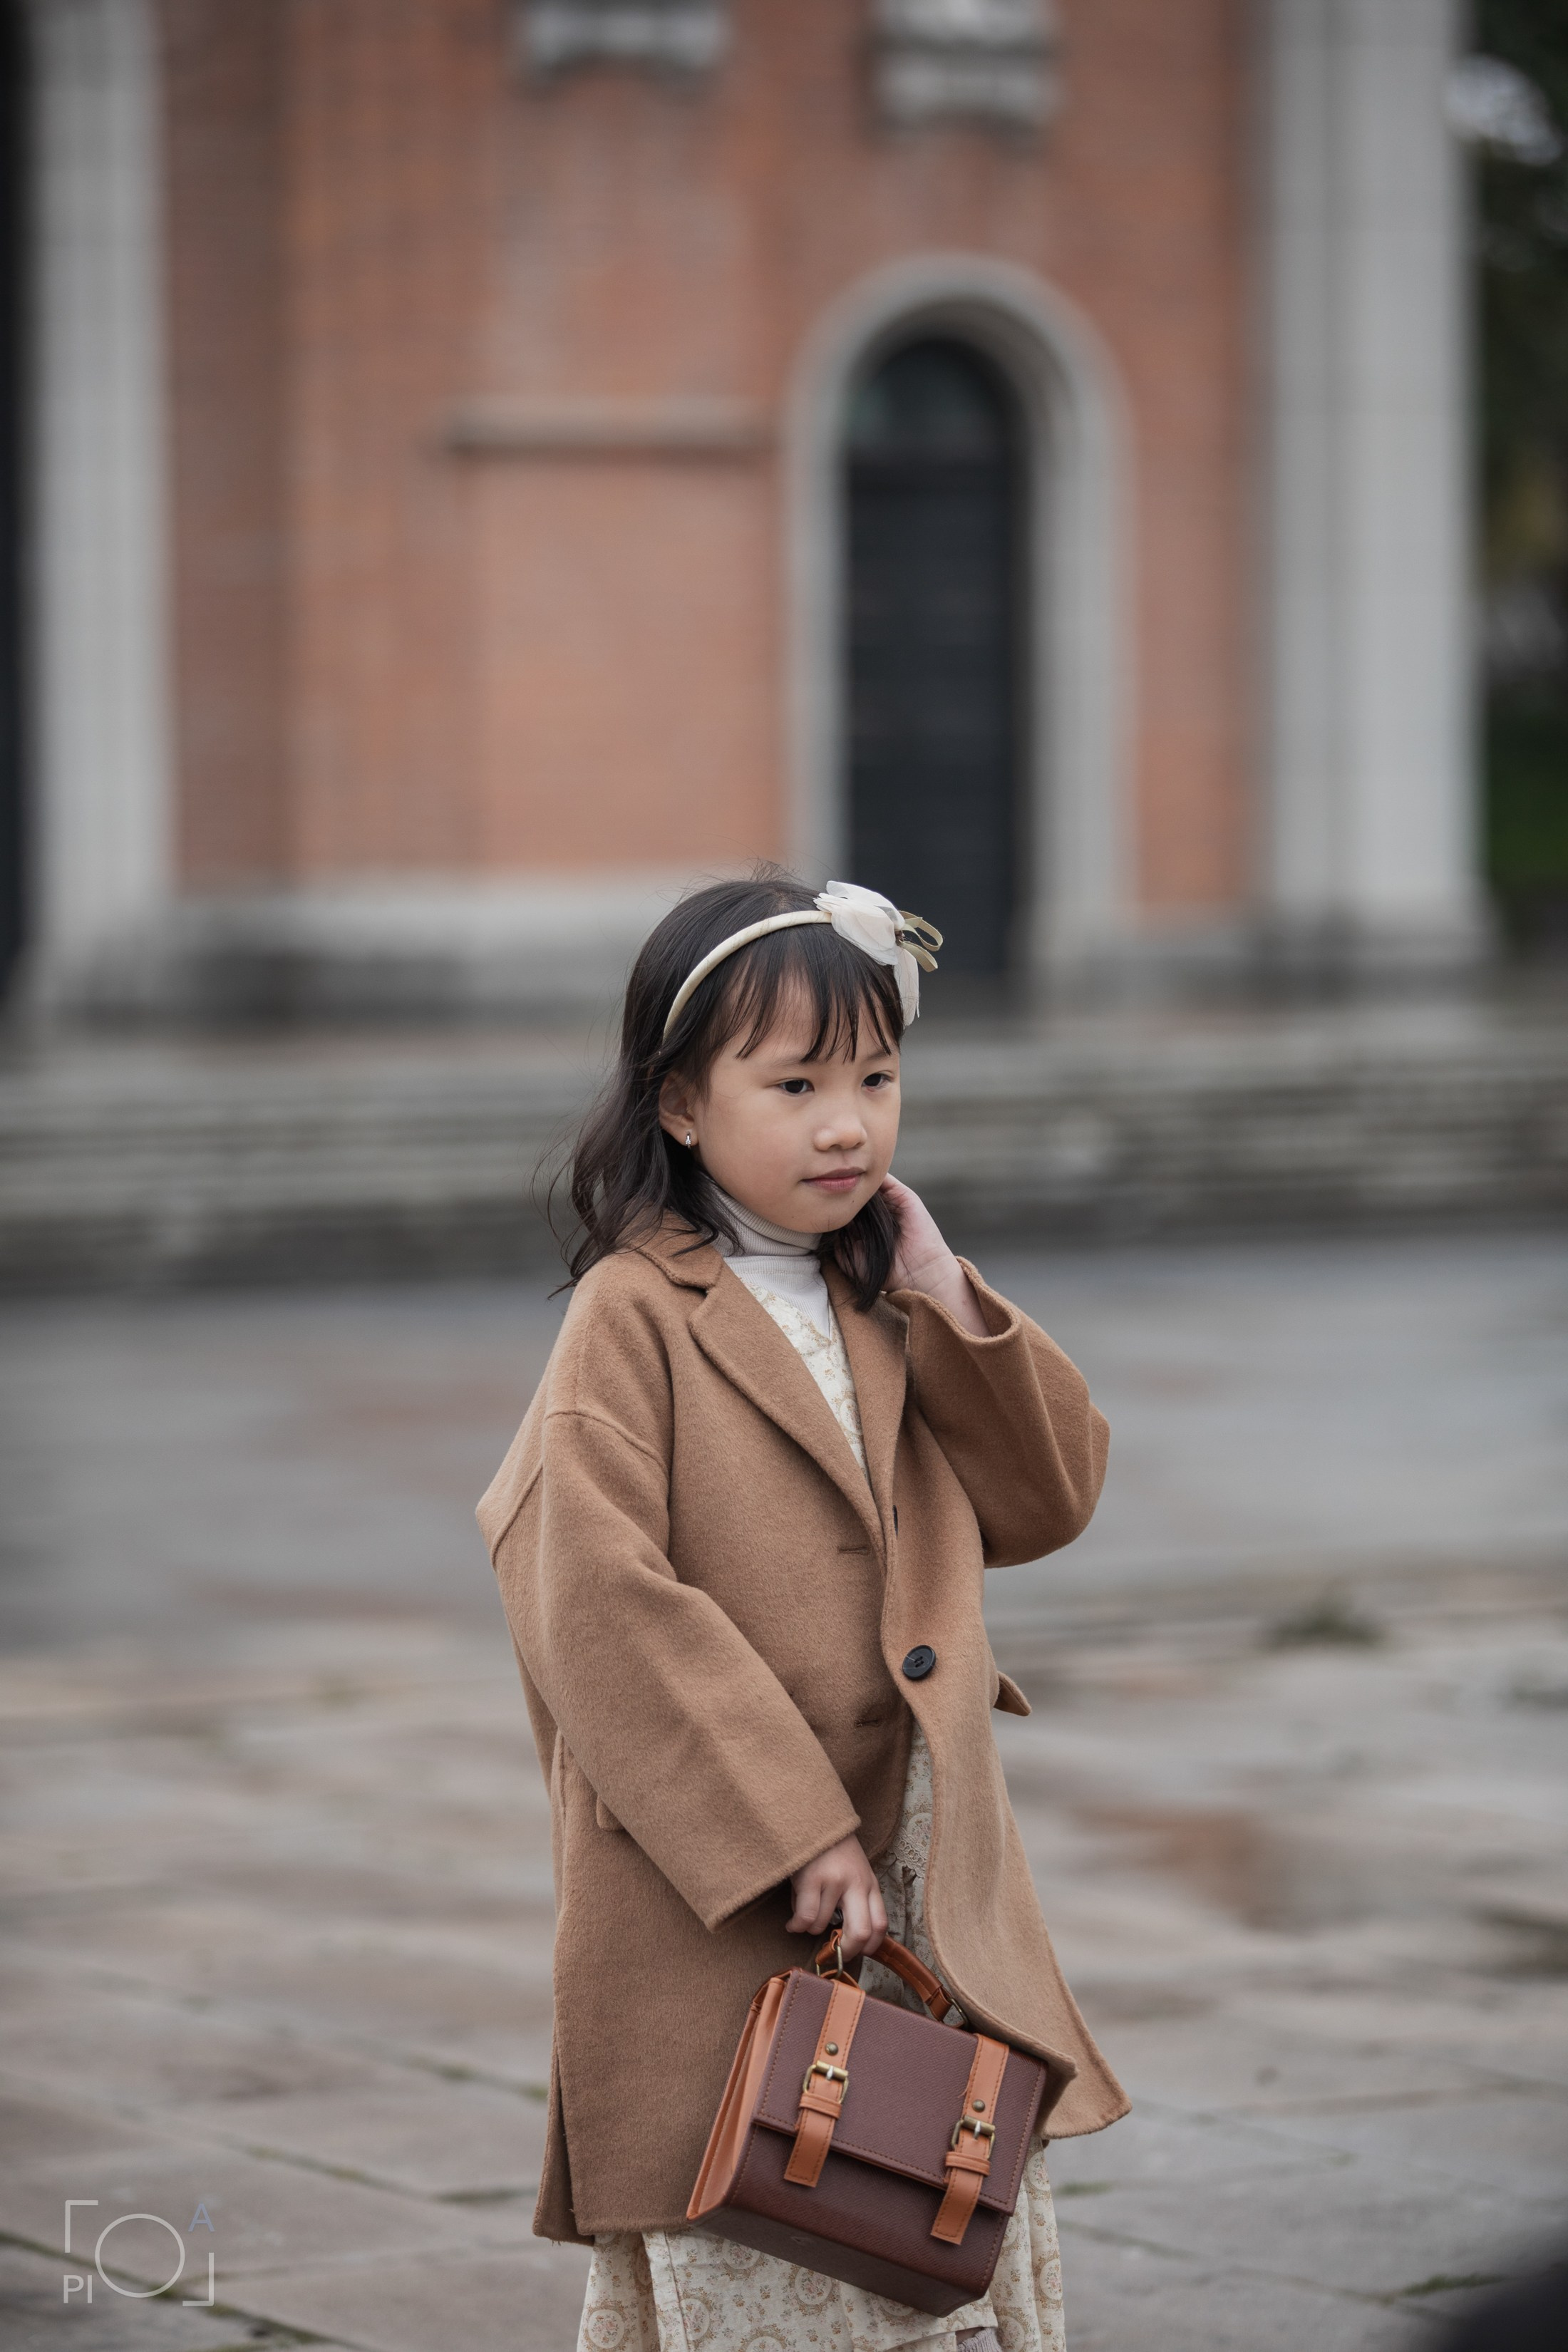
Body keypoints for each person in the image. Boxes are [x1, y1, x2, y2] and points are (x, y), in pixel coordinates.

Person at [478, 871, 1129, 2352]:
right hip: (735, 1873)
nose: (847, 1122)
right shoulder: (632, 1316)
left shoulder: (880, 1296)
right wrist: (785, 1827)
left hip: (913, 1855)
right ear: (682, 1107)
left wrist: (946, 1294)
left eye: (876, 1078)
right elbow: (589, 1595)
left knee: (920, 2206)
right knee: (767, 2211)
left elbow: (1046, 1500)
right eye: (796, 1085)